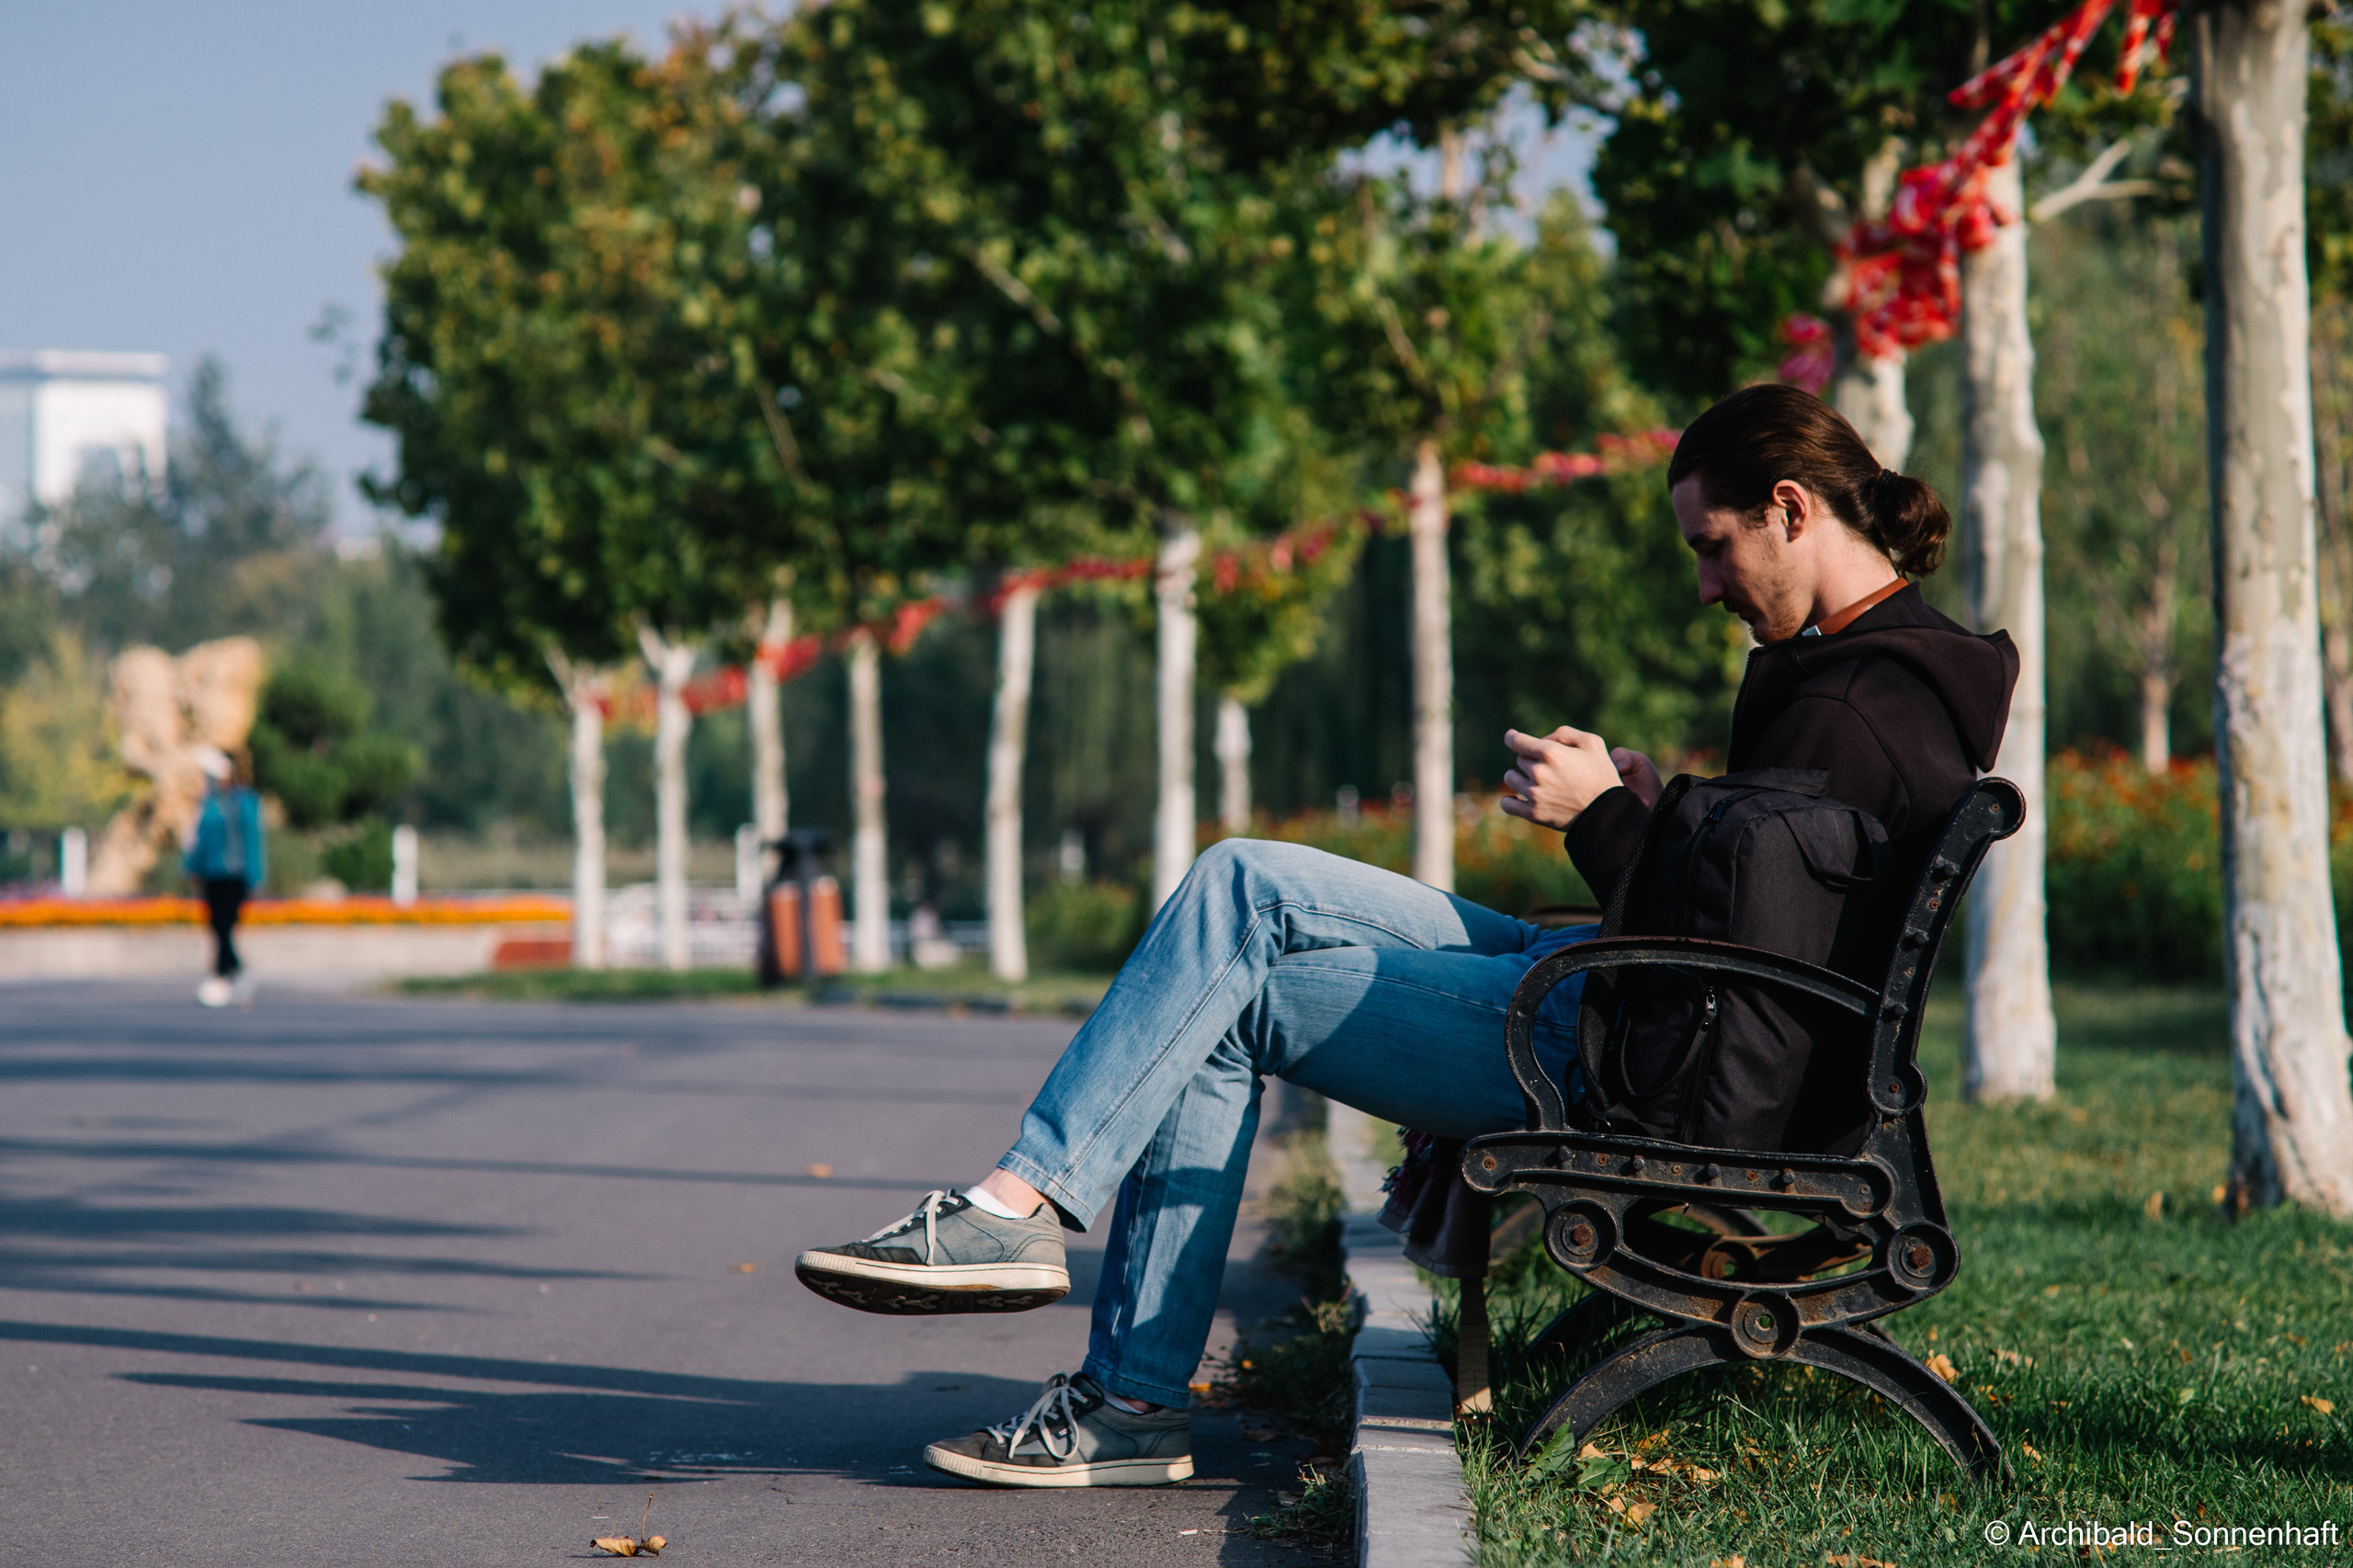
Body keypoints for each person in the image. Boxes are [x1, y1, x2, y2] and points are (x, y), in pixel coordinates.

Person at [793, 383, 2020, 1488]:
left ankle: (1071, 1308)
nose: (1704, 583)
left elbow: (1747, 961)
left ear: (1792, 509)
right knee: (1242, 885)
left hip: (1627, 1051)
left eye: (1714, 546)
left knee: (1229, 993)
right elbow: (1766, 902)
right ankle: (1034, 1241)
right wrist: (1658, 812)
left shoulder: (1862, 702)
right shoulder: (1861, 670)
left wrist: (1606, 820)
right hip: (1631, 994)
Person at [185, 746, 265, 1008]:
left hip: (234, 875)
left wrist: (255, 876)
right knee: (216, 927)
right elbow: (198, 841)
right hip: (212, 875)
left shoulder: (242, 802)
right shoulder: (207, 803)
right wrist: (191, 868)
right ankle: (228, 976)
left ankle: (229, 975)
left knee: (224, 927)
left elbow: (252, 840)